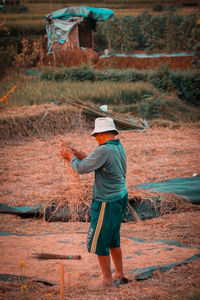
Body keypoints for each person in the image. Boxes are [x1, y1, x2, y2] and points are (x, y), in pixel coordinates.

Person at [60, 117, 130, 288]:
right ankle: (119, 273)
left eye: (96, 136)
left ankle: (107, 280)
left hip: (106, 202)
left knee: (99, 242)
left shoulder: (104, 150)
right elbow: (97, 163)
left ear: (101, 134)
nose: (96, 139)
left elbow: (81, 168)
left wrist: (71, 157)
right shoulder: (117, 147)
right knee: (113, 238)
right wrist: (80, 155)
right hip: (120, 197)